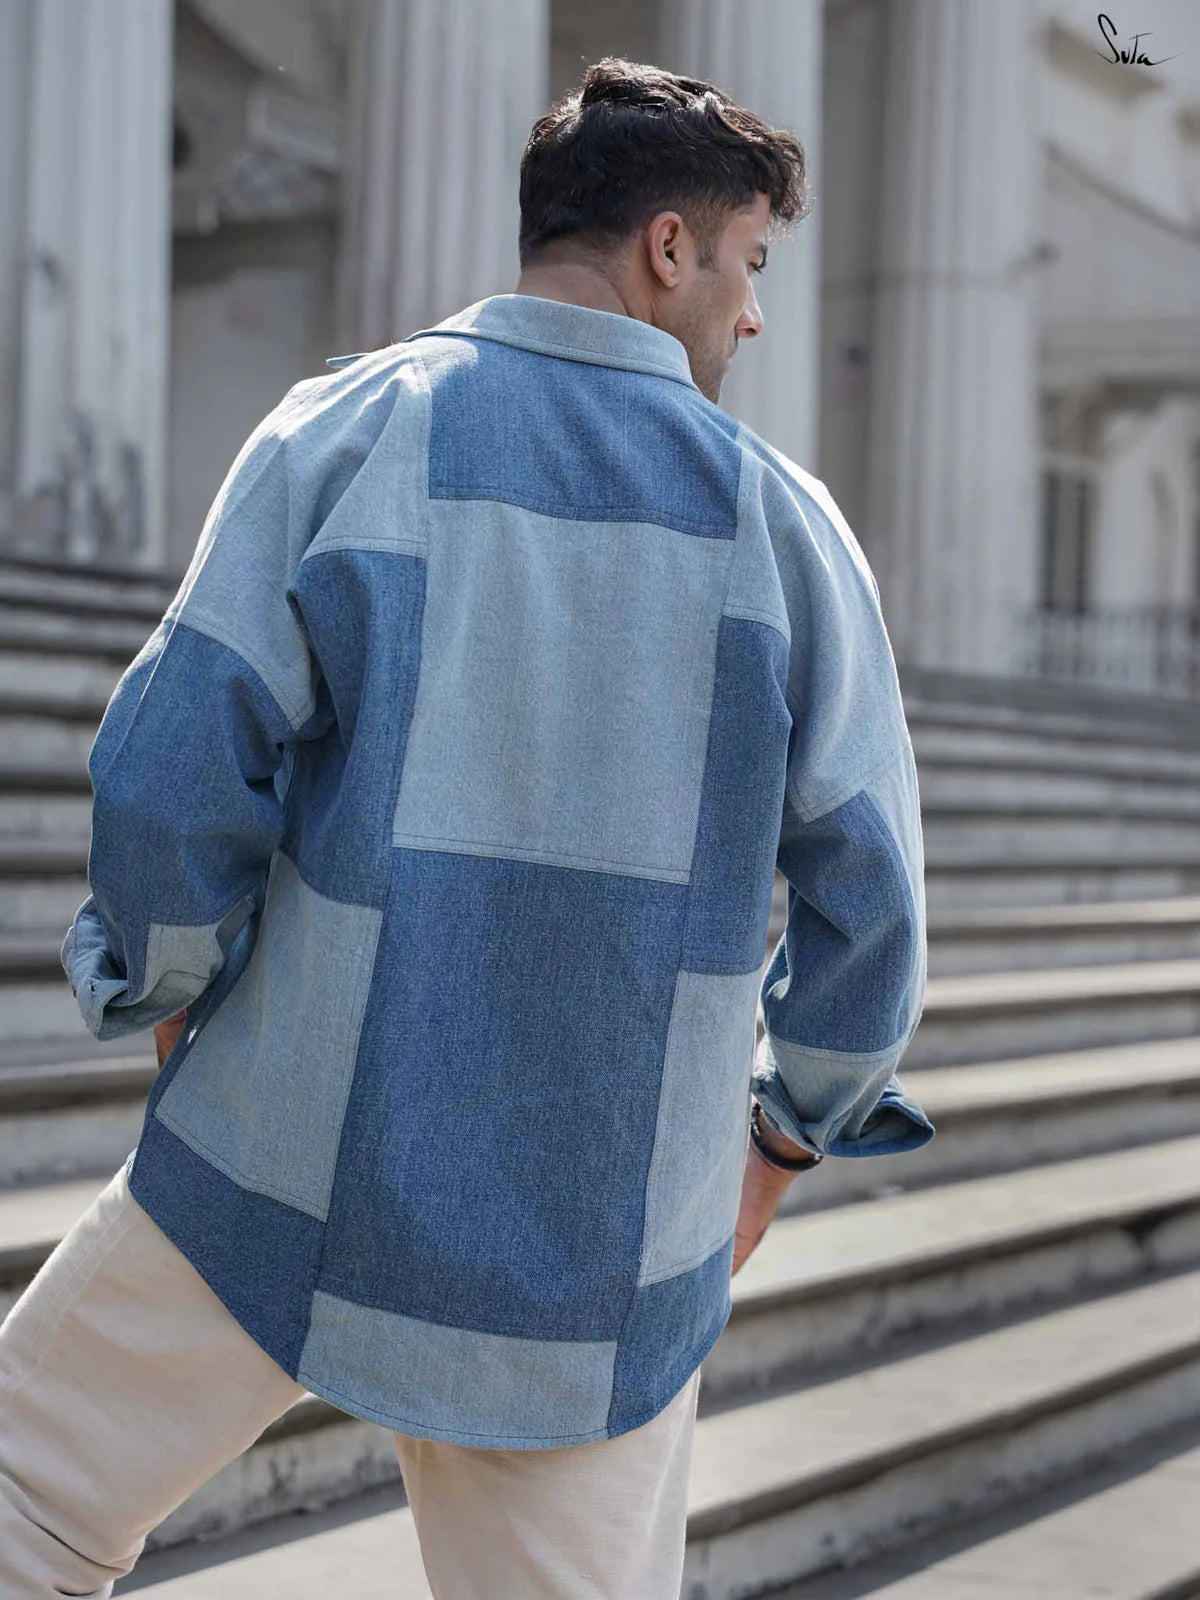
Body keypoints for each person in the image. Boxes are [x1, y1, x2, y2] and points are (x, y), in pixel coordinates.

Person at [0, 55, 934, 1599]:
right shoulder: (786, 529)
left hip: (282, 1158)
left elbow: (169, 772)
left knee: (21, 1500)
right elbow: (871, 915)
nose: (754, 314)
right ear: (668, 249)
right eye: (751, 264)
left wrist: (176, 1001)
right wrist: (778, 1141)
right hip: (601, 1238)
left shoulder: (344, 432)